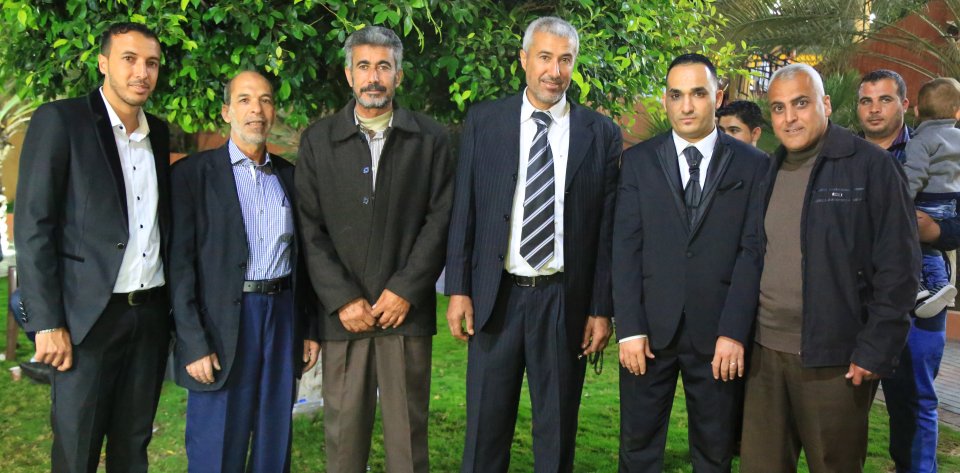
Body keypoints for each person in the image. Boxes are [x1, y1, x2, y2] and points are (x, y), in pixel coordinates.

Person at [445, 16, 621, 472]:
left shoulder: (601, 134)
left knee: (556, 436)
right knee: (484, 435)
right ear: (524, 59)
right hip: (496, 298)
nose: (554, 71)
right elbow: (465, 209)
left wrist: (601, 308)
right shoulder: (484, 121)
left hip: (563, 302)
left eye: (565, 60)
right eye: (544, 57)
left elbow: (607, 232)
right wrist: (459, 289)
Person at [739, 63, 919, 473]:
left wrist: (876, 349)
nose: (789, 117)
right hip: (765, 355)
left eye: (801, 103)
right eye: (779, 108)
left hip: (836, 360)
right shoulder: (768, 170)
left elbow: (900, 268)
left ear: (826, 104)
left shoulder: (871, 166)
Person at [14, 22, 172, 472]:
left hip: (148, 317)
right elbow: (34, 226)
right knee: (77, 450)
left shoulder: (158, 133)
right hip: (86, 321)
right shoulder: (61, 121)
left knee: (133, 447)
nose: (141, 72)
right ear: (103, 63)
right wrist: (47, 322)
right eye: (129, 59)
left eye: (151, 63)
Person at [296, 26, 454, 473]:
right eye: (363, 66)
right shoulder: (318, 140)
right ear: (349, 75)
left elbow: (441, 219)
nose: (373, 77)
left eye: (384, 66)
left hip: (405, 313)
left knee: (408, 442)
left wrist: (406, 289)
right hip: (343, 317)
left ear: (398, 75)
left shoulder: (430, 139)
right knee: (344, 442)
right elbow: (309, 227)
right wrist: (342, 298)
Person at [614, 53, 767, 473]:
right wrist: (630, 328)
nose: (686, 106)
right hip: (649, 333)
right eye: (676, 94)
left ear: (718, 97)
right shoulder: (639, 161)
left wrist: (733, 331)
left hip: (719, 336)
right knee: (637, 451)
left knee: (715, 455)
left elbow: (752, 252)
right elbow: (625, 248)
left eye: (698, 94)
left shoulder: (754, 165)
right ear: (665, 99)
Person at [169, 70, 319, 472]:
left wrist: (308, 328)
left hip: (282, 317)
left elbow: (305, 260)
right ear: (226, 112)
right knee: (217, 443)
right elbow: (179, 266)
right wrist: (192, 342)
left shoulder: (291, 177)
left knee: (274, 438)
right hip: (222, 322)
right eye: (245, 100)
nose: (257, 110)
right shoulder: (192, 175)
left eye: (266, 100)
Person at [857, 68, 947, 473]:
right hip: (853, 291)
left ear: (906, 105)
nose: (874, 109)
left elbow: (953, 218)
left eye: (885, 99)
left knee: (913, 398)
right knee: (843, 399)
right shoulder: (840, 154)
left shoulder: (934, 150)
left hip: (919, 292)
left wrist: (936, 229)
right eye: (866, 100)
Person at [904, 78, 960, 318]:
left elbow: (915, 175)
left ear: (916, 110)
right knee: (925, 244)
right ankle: (936, 284)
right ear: (957, 112)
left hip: (927, 201)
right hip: (951, 204)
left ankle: (923, 284)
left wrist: (900, 201)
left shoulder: (920, 141)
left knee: (908, 239)